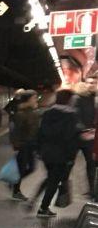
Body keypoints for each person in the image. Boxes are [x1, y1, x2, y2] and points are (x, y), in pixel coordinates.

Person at [32, 88, 82, 217]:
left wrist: (38, 150)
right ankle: (43, 208)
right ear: (69, 100)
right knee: (54, 181)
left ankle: (36, 201)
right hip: (61, 155)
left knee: (51, 177)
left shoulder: (48, 113)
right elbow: (70, 139)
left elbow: (40, 133)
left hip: (47, 153)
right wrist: (71, 157)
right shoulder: (71, 116)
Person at [8, 90, 40, 201]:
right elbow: (15, 130)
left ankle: (14, 185)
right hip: (24, 144)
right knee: (22, 168)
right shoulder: (21, 114)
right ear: (28, 100)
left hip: (31, 144)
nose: (36, 100)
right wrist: (16, 144)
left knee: (31, 168)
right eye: (34, 98)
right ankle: (16, 190)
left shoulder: (34, 112)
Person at [73, 80, 96, 200]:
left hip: (90, 136)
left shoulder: (94, 99)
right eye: (90, 83)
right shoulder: (77, 98)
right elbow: (75, 117)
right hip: (77, 137)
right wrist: (84, 129)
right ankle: (62, 189)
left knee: (91, 164)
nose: (93, 85)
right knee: (68, 163)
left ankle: (92, 190)